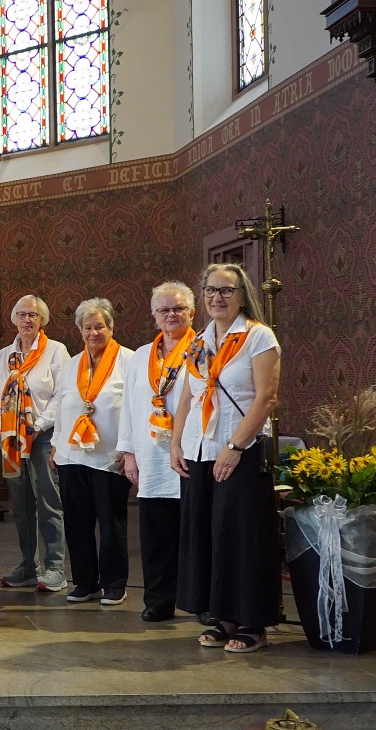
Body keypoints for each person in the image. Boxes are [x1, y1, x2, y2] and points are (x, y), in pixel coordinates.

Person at [171, 263, 281, 653]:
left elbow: (266, 397)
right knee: (210, 535)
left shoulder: (257, 337)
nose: (217, 297)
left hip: (241, 451)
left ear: (241, 294)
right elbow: (189, 396)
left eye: (226, 291)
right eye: (211, 291)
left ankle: (252, 620)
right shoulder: (200, 340)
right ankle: (224, 615)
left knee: (241, 536)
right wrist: (175, 443)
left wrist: (234, 448)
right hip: (200, 450)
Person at [116, 281, 196, 622]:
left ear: (192, 312)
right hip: (150, 456)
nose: (171, 315)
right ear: (154, 316)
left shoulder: (202, 349)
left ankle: (200, 601)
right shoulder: (139, 357)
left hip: (191, 453)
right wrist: (129, 453)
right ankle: (159, 600)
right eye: (164, 310)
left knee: (195, 534)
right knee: (157, 535)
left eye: (178, 308)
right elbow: (128, 408)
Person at [48, 298, 134, 605]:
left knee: (111, 522)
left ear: (111, 327)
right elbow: (61, 406)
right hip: (72, 455)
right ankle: (85, 581)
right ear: (80, 331)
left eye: (99, 326)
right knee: (77, 521)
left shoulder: (129, 360)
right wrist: (56, 444)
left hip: (110, 456)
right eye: (88, 327)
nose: (93, 332)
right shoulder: (72, 364)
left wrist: (128, 449)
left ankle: (114, 583)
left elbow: (134, 409)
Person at [0, 294, 71, 593]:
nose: (26, 320)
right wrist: (4, 429)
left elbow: (63, 396)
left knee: (49, 502)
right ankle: (28, 565)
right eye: (21, 315)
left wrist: (35, 426)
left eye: (33, 315)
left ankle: (55, 568)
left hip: (43, 436)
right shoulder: (5, 355)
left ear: (42, 320)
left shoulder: (55, 352)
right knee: (21, 506)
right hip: (11, 439)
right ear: (14, 319)